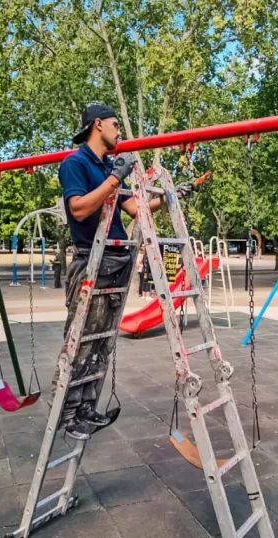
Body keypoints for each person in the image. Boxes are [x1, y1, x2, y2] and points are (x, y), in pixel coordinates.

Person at [56, 102, 185, 440]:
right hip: (90, 263)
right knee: (82, 340)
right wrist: (116, 177)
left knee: (101, 344)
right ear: (97, 125)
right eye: (115, 125)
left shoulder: (105, 166)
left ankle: (86, 408)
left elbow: (132, 208)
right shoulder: (76, 163)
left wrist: (168, 197)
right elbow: (79, 209)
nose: (119, 132)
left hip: (114, 262)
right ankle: (67, 414)